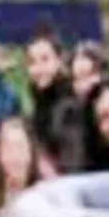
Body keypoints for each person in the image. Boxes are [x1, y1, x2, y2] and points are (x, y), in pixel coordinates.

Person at [24, 30, 84, 172]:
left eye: (45, 59)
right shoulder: (39, 104)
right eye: (32, 62)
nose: (38, 68)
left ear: (59, 61)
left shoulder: (69, 107)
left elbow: (73, 160)